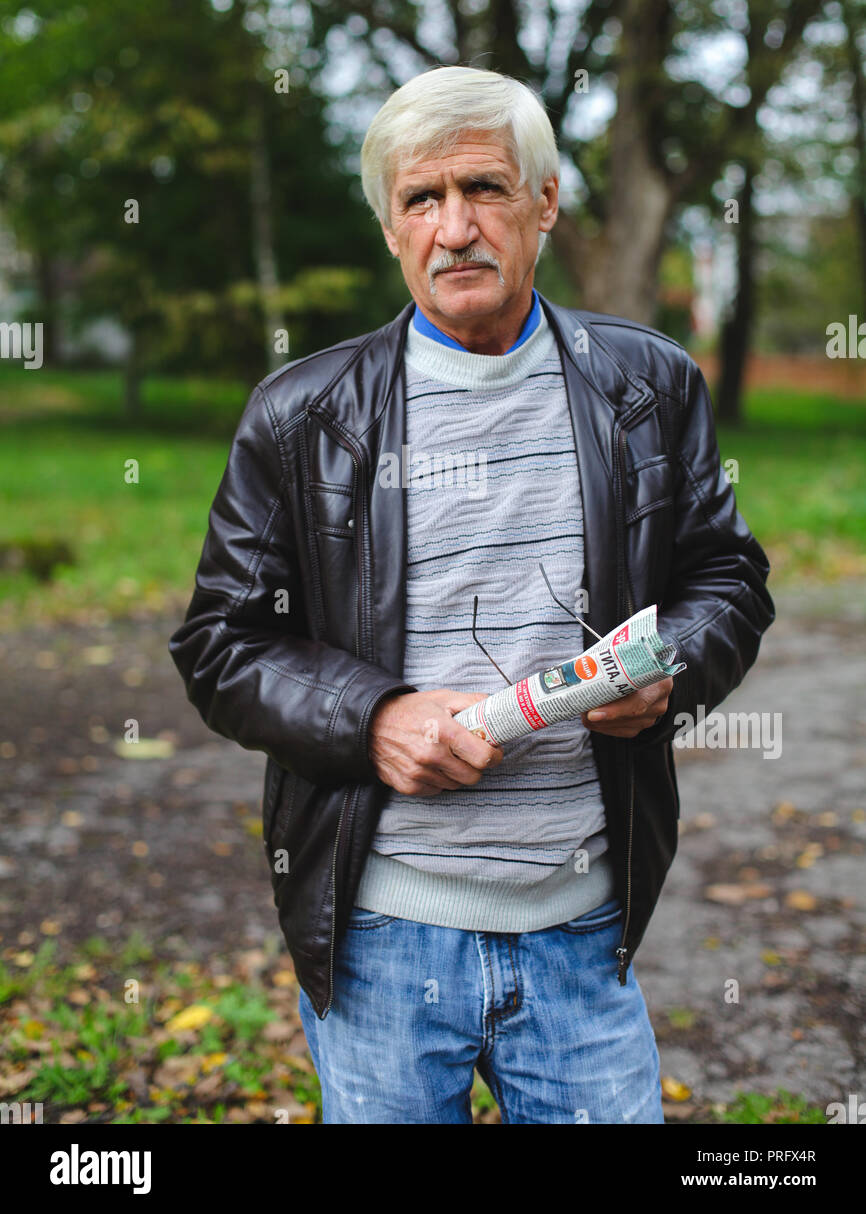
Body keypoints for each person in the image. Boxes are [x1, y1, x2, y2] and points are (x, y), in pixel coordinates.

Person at [169, 65, 774, 1124]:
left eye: (485, 189)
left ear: (543, 203)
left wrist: (671, 668)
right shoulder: (301, 414)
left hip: (582, 928)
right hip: (381, 939)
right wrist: (375, 717)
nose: (455, 228)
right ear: (391, 226)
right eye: (421, 199)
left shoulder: (647, 384)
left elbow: (724, 578)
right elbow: (222, 644)